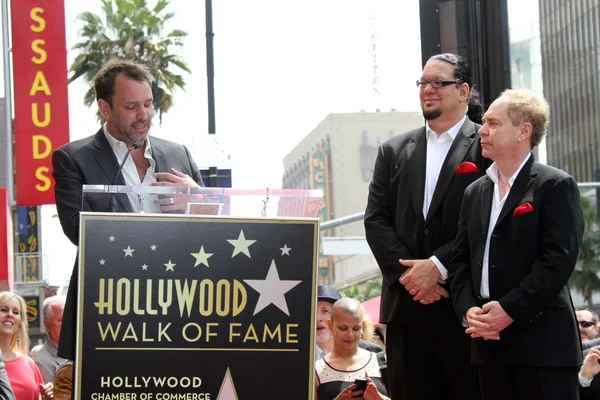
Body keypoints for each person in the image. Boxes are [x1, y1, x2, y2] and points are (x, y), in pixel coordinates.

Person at [52, 59, 204, 361]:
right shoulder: (73, 158)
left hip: (179, 304)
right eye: (131, 106)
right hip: (110, 308)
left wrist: (199, 199)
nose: (143, 115)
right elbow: (75, 229)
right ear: (105, 109)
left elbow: (219, 224)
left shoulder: (178, 153)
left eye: (148, 104)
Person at [364, 53, 487, 400]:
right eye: (422, 83)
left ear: (463, 91)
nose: (427, 90)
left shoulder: (486, 146)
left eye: (438, 83)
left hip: (461, 304)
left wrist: (437, 266)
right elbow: (376, 220)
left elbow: (485, 222)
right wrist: (411, 276)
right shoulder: (393, 150)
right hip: (406, 309)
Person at [449, 89, 584, 400]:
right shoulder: (475, 192)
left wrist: (508, 310)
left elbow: (558, 262)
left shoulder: (555, 185)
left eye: (493, 123)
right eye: (483, 123)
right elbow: (460, 262)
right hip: (488, 345)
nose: (481, 130)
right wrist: (469, 311)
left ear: (524, 131)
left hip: (544, 348)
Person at [315, 298, 389, 400]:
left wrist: (380, 398)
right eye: (343, 328)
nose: (350, 335)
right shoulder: (316, 370)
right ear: (330, 325)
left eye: (356, 328)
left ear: (362, 326)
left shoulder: (381, 361)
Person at [0, 292, 53, 399]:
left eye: (15, 312)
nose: (10, 314)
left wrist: (47, 397)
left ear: (20, 321)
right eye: (4, 310)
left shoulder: (28, 363)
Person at [315, 285, 384, 360]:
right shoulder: (302, 355)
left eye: (325, 311)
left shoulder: (371, 351)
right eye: (313, 312)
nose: (318, 318)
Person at [32, 295, 66, 383]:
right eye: (62, 320)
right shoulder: (40, 362)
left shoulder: (82, 352)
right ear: (47, 325)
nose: (69, 323)